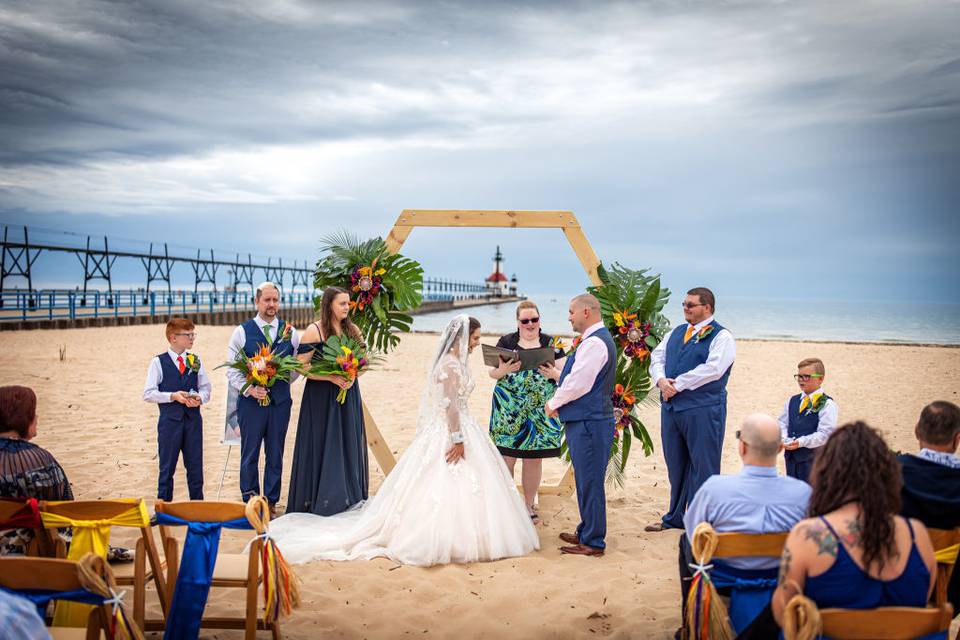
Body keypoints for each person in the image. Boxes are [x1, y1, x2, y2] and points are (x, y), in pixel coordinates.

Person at [270, 315, 539, 566]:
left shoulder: (454, 362)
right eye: (475, 337)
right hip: (452, 430)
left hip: (461, 426)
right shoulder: (450, 365)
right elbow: (450, 407)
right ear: (462, 337)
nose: (477, 343)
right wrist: (457, 439)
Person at [772, 421, 937, 626]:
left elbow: (784, 615)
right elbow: (923, 599)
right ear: (887, 474)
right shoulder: (916, 534)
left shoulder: (807, 536)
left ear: (826, 473)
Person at [679, 413, 810, 636]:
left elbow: (694, 535)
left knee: (684, 542)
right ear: (780, 449)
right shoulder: (803, 493)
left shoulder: (714, 489)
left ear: (742, 447)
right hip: (781, 582)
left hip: (725, 583)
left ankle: (690, 623)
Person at [646, 287, 735, 532]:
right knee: (676, 465)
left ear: (707, 307)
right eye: (684, 304)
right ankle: (675, 517)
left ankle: (703, 521)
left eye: (691, 305)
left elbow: (714, 369)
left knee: (704, 466)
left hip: (704, 409)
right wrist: (661, 381)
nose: (685, 308)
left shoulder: (722, 336)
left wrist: (679, 384)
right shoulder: (676, 332)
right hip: (672, 408)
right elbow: (657, 358)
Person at [286, 287, 369, 516]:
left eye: (348, 303)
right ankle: (321, 499)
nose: (347, 307)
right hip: (321, 397)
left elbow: (365, 362)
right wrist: (331, 377)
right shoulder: (314, 331)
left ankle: (348, 497)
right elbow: (301, 365)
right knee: (323, 443)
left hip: (348, 394)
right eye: (342, 303)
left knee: (347, 443)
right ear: (329, 305)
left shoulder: (352, 330)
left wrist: (352, 376)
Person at [544, 294, 616, 557]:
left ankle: (594, 542)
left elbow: (580, 383)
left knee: (590, 480)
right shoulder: (593, 340)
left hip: (590, 421)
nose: (568, 317)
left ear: (586, 312)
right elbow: (576, 374)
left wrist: (554, 402)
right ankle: (587, 530)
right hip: (587, 419)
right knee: (586, 479)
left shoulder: (595, 343)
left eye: (571, 312)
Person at [488, 300, 565, 522]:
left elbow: (567, 373)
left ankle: (529, 505)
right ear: (518, 322)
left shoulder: (553, 342)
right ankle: (507, 505)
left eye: (535, 319)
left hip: (541, 410)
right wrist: (502, 370)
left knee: (534, 460)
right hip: (509, 409)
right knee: (506, 458)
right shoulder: (507, 341)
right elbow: (493, 374)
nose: (530, 324)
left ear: (540, 319)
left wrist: (554, 375)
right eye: (525, 320)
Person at [226, 282, 300, 513]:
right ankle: (250, 497)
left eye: (275, 300)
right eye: (267, 300)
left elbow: (298, 365)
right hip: (250, 404)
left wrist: (281, 382)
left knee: (275, 452)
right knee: (250, 451)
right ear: (256, 301)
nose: (271, 305)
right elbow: (232, 369)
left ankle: (271, 499)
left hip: (280, 403)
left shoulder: (291, 332)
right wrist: (250, 388)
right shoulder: (241, 331)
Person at [897, 400, 960, 613]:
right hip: (953, 594)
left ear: (916, 431)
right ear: (957, 438)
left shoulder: (893, 472)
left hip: (899, 582)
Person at [142, 317, 212, 501]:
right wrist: (172, 396)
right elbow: (148, 393)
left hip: (193, 422)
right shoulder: (158, 362)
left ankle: (197, 506)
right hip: (169, 423)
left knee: (195, 465)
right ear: (173, 338)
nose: (192, 338)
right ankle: (164, 507)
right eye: (188, 335)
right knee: (167, 466)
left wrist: (200, 398)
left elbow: (206, 388)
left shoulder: (195, 360)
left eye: (193, 334)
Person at [0, 385, 73, 555]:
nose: (37, 417)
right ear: (25, 418)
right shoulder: (42, 461)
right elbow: (64, 510)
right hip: (35, 562)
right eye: (33, 412)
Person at [778, 357, 838, 483]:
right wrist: (784, 438)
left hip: (813, 461)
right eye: (799, 376)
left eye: (806, 376)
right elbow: (782, 422)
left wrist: (801, 442)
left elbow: (825, 434)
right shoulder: (792, 401)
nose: (801, 380)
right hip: (791, 459)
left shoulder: (827, 404)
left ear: (820, 378)